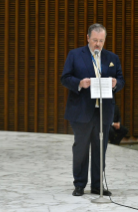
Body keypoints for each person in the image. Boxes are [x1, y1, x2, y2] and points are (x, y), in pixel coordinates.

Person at [61, 23, 125, 197]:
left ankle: (97, 186)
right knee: (81, 148)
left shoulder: (112, 57)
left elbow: (121, 80)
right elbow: (65, 78)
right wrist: (79, 83)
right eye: (95, 40)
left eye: (101, 41)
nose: (98, 44)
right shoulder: (75, 55)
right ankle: (80, 184)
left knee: (100, 148)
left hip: (103, 111)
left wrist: (115, 84)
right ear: (88, 38)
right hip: (81, 110)